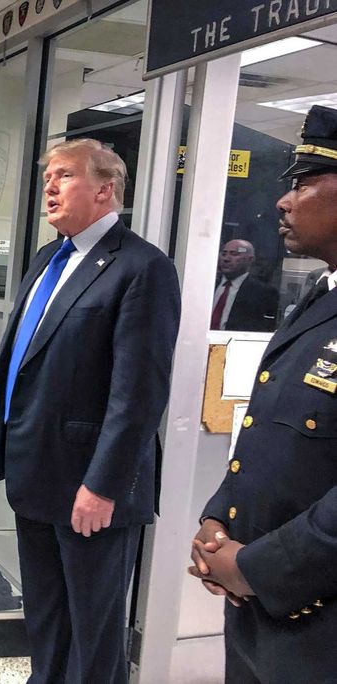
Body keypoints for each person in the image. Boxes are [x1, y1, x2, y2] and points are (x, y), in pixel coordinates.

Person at [0, 138, 180, 683]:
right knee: (45, 613)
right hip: (35, 467)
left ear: (105, 190)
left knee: (94, 628)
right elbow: (17, 352)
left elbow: (138, 393)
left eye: (64, 176)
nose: (50, 187)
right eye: (48, 178)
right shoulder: (48, 258)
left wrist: (104, 484)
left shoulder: (141, 268)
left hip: (90, 484)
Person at [189, 104, 337, 684]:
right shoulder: (319, 299)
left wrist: (252, 566)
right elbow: (268, 431)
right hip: (263, 615)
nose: (283, 200)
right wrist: (216, 521)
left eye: (304, 182)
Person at [211, 238, 279, 332]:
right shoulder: (209, 286)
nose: (226, 259)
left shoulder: (263, 293)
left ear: (250, 259)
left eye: (234, 254)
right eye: (224, 254)